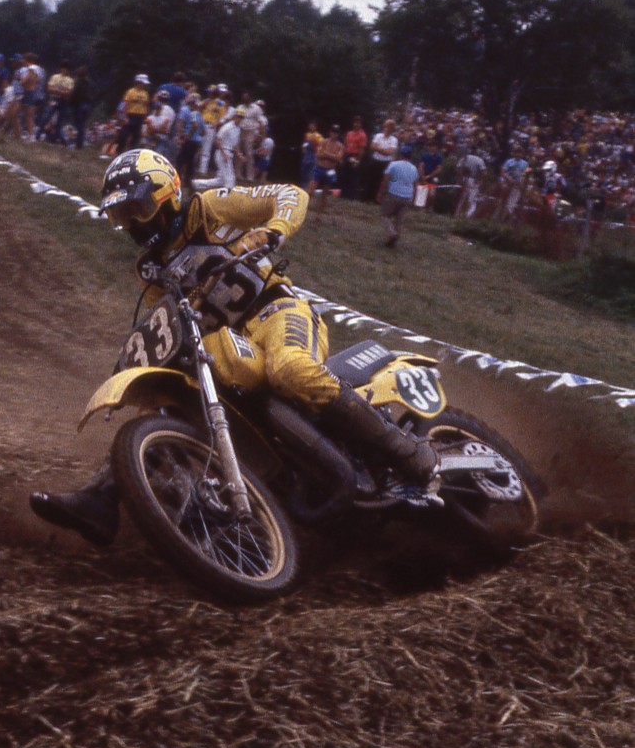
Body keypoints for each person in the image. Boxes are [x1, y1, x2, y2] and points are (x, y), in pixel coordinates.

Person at [29, 151, 438, 545]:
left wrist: (271, 230)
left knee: (290, 369)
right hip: (226, 341)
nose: (132, 224)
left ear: (164, 195)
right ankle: (102, 498)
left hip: (277, 310)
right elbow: (167, 316)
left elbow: (292, 195)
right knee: (168, 401)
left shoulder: (207, 209)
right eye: (121, 216)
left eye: (136, 209)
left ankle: (406, 452)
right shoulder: (149, 268)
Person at [377, 145, 421, 247]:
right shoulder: (414, 168)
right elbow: (415, 185)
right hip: (407, 196)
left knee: (385, 215)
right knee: (399, 220)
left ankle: (392, 233)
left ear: (401, 154)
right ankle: (393, 242)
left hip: (393, 194)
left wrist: (381, 192)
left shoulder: (393, 165)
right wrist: (414, 199)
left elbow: (385, 180)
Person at [118, 74, 152, 148]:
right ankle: (119, 150)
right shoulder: (130, 92)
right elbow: (125, 104)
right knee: (124, 134)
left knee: (136, 136)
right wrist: (125, 117)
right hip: (131, 115)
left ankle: (131, 150)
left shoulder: (145, 94)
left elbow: (146, 105)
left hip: (140, 116)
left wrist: (145, 116)